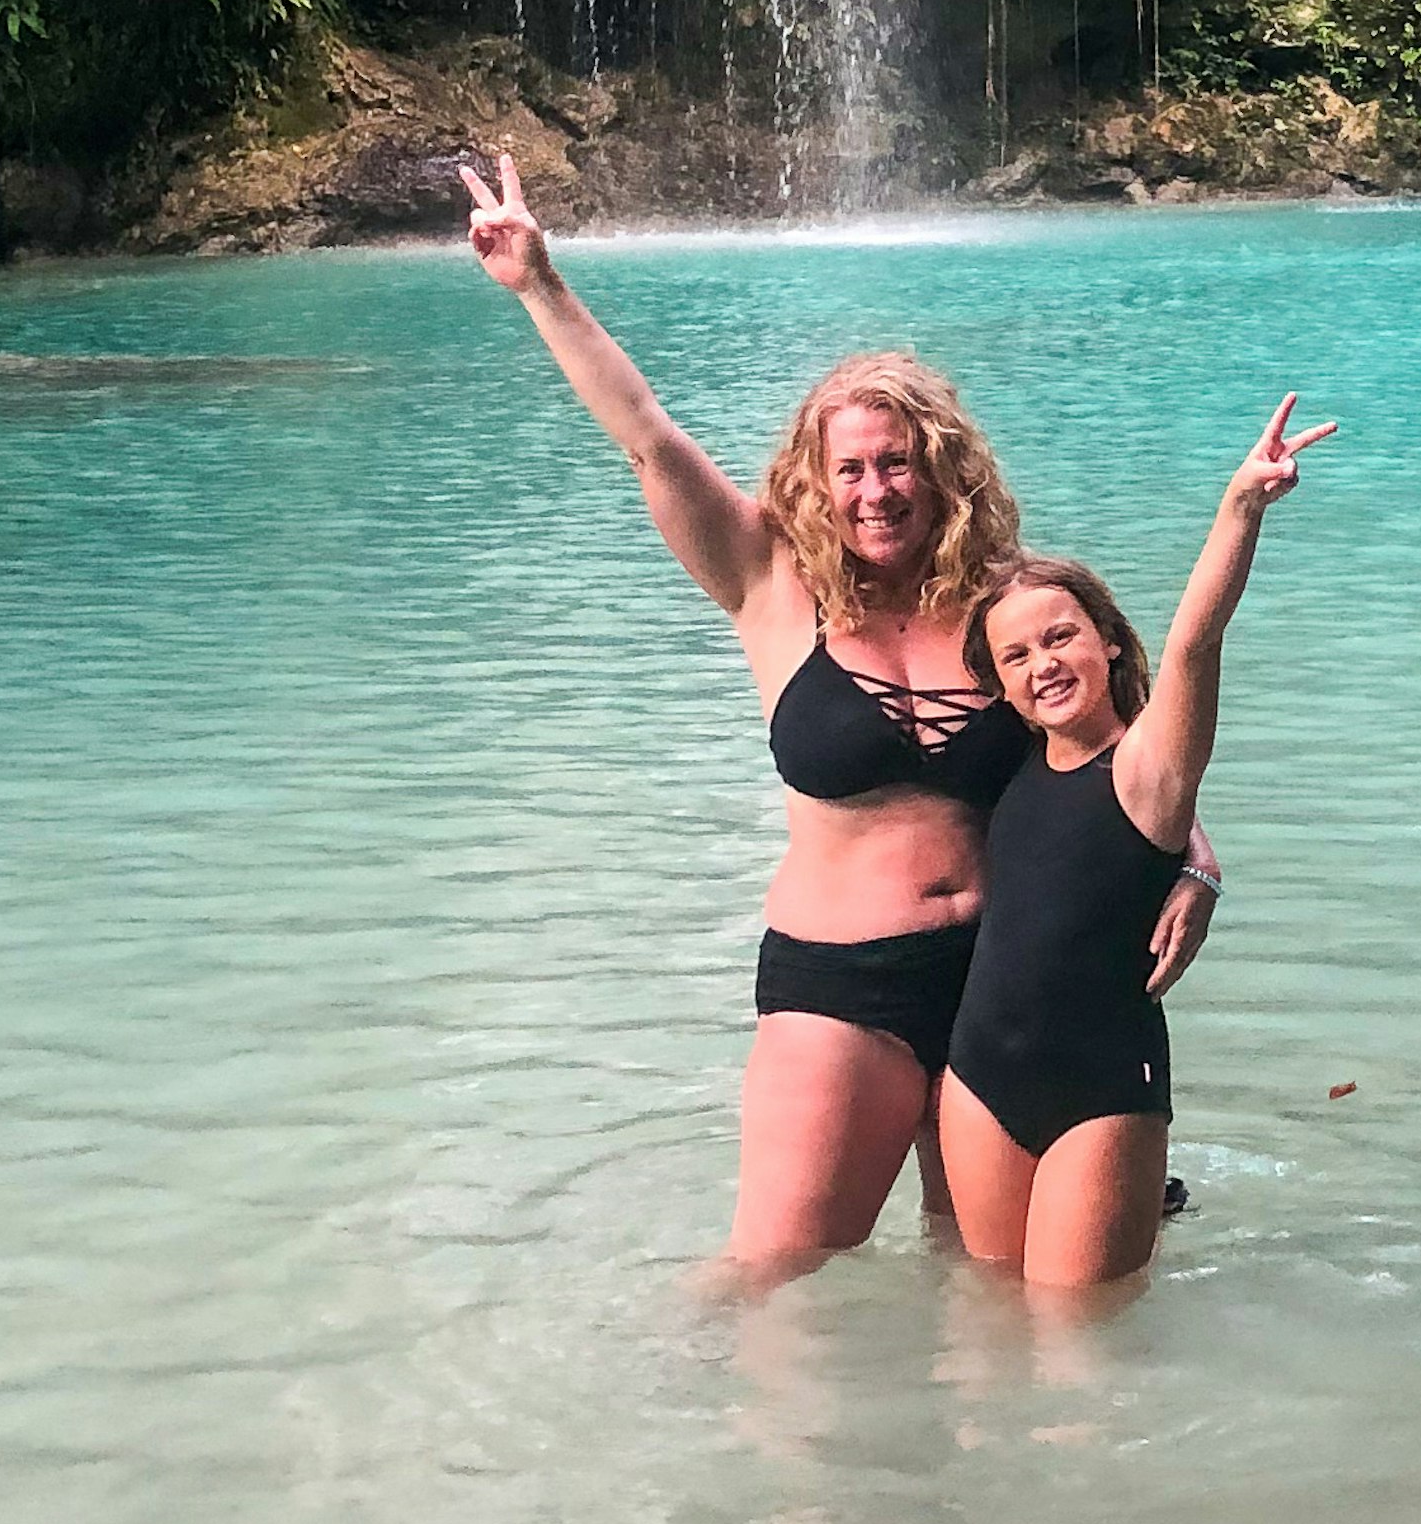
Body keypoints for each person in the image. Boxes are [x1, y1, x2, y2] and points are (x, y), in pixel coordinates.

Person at [451, 152, 1219, 1280]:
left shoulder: (1004, 598)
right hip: (839, 982)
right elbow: (650, 438)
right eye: (849, 468)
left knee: (991, 1284)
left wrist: (1196, 861)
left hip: (1005, 979)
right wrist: (539, 285)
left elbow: (1122, 746)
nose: (875, 490)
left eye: (897, 462)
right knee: (771, 1270)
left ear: (939, 466)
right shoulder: (768, 582)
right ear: (814, 479)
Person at [941, 394, 1332, 1297]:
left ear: (1110, 643)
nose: (1043, 663)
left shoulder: (1149, 771)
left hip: (1102, 1092)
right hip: (976, 1079)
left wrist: (1239, 509)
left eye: (1061, 636)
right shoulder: (1011, 758)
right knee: (990, 1320)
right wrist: (1203, 864)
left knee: (1080, 1349)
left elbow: (1195, 641)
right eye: (1017, 656)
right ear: (999, 686)